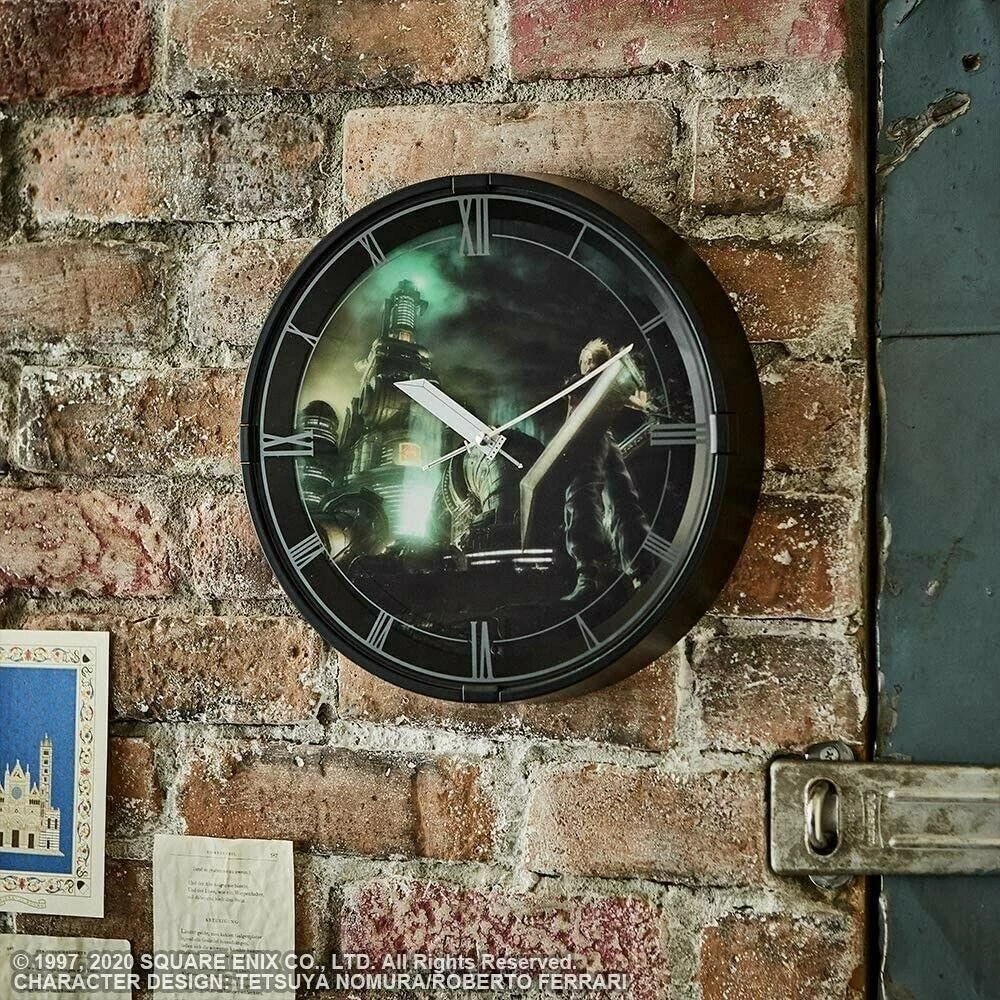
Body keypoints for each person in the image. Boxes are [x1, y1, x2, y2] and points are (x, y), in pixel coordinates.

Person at [561, 338, 655, 602]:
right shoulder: (581, 384)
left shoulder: (605, 380)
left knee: (615, 497)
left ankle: (637, 572)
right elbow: (572, 415)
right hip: (588, 436)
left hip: (598, 437)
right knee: (593, 495)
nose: (586, 364)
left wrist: (644, 403)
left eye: (590, 360)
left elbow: (634, 400)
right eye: (585, 361)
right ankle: (592, 574)